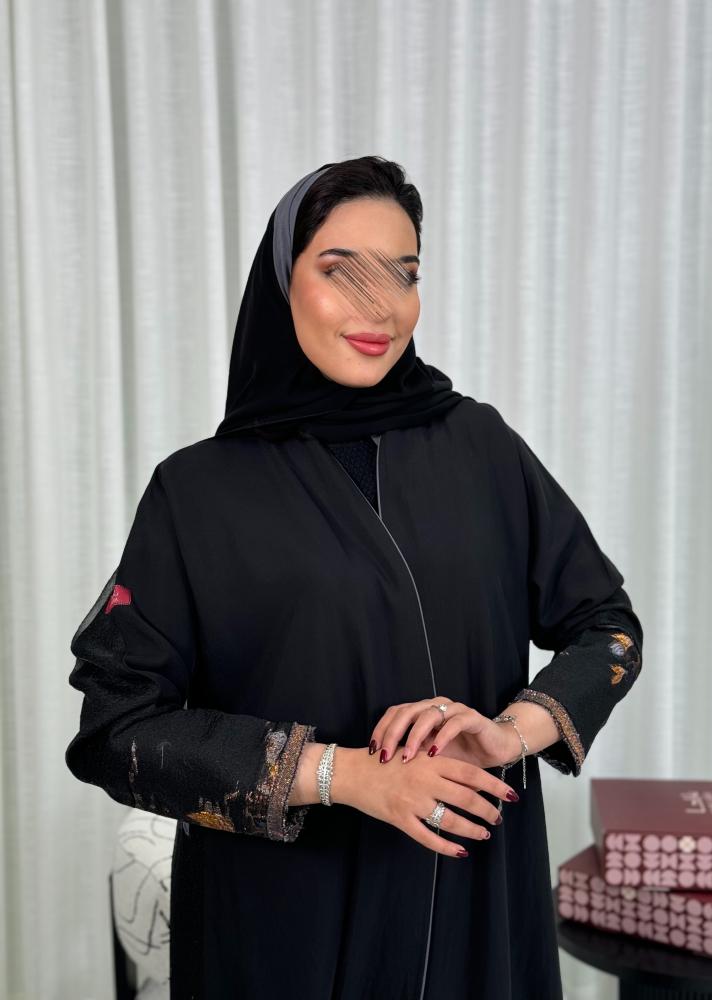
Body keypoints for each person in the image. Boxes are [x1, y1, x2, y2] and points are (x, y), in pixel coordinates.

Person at [65, 155, 644, 999]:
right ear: (281, 284)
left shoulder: (481, 449)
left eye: (404, 274)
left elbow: (608, 625)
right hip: (283, 932)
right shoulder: (198, 492)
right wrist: (345, 774)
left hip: (473, 911)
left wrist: (509, 733)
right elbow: (117, 729)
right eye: (342, 271)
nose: (381, 306)